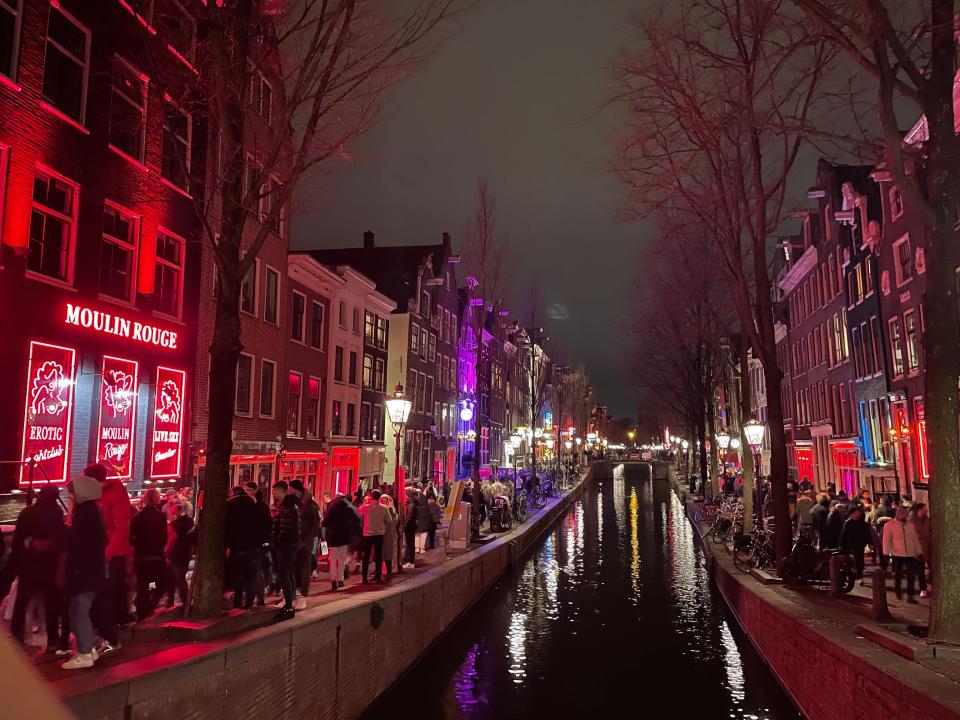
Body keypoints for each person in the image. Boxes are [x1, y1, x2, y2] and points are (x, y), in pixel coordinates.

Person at [9, 485, 66, 652]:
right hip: (49, 567)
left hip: (28, 566)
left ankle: (17, 637)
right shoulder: (56, 514)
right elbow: (61, 542)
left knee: (22, 603)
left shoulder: (27, 513)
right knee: (51, 606)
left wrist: (16, 563)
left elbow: (17, 541)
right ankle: (53, 640)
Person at [62, 475, 107, 670]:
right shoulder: (90, 512)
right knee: (78, 611)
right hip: (89, 572)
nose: (69, 496)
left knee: (78, 611)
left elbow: (79, 544)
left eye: (71, 493)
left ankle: (85, 651)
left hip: (84, 573)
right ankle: (90, 646)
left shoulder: (85, 514)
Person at [90, 462, 132, 634]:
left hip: (112, 553)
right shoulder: (98, 494)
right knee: (113, 589)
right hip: (107, 551)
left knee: (107, 591)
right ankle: (117, 621)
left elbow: (122, 528)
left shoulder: (113, 494)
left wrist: (107, 553)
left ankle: (108, 629)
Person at [226, 485, 269, 611]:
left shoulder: (230, 507)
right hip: (253, 547)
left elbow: (226, 528)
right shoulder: (256, 507)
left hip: (237, 548)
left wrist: (229, 545)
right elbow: (266, 525)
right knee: (251, 576)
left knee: (238, 576)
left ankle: (238, 601)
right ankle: (249, 603)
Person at [130, 488, 167, 620]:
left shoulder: (137, 519)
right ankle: (150, 606)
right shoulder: (161, 517)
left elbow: (131, 539)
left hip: (142, 557)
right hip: (157, 556)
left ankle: (142, 610)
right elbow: (164, 537)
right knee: (161, 585)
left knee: (142, 586)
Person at [271, 481, 301, 620]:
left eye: (274, 490)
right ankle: (290, 603)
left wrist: (276, 540)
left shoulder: (287, 507)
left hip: (287, 545)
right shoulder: (287, 506)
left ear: (280, 490)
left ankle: (289, 606)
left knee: (284, 574)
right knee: (288, 573)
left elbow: (285, 528)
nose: (273, 493)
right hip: (291, 544)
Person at [290, 480, 321, 609]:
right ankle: (294, 595)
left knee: (303, 567)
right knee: (295, 568)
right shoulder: (298, 503)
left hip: (305, 541)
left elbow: (315, 525)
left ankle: (302, 594)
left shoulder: (310, 506)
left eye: (291, 490)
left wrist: (307, 539)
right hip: (297, 540)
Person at [322, 493, 360, 591]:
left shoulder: (331, 507)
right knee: (341, 560)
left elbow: (325, 522)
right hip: (344, 536)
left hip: (333, 537)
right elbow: (356, 519)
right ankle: (340, 579)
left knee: (333, 559)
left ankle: (333, 580)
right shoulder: (348, 506)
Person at [883, 506, 922, 603]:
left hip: (910, 553)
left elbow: (915, 539)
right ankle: (898, 591)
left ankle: (910, 595)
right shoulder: (889, 525)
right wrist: (886, 553)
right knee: (898, 574)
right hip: (897, 554)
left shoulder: (910, 525)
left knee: (911, 575)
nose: (905, 517)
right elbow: (886, 540)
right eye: (904, 515)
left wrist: (919, 551)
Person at [164, 502, 195, 611]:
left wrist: (166, 553)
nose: (171, 513)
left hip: (176, 555)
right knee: (178, 579)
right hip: (184, 554)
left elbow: (172, 540)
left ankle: (178, 603)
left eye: (173, 511)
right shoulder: (189, 523)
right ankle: (184, 603)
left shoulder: (176, 524)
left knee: (175, 579)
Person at [357, 490, 387, 584]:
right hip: (379, 533)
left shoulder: (365, 507)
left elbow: (358, 514)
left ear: (371, 497)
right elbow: (389, 520)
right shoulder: (384, 508)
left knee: (366, 556)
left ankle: (364, 578)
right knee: (378, 556)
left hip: (367, 533)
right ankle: (378, 577)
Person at [839, 506, 870, 580]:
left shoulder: (863, 523)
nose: (856, 514)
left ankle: (859, 575)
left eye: (858, 512)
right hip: (849, 544)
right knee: (852, 560)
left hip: (860, 544)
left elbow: (866, 534)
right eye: (855, 512)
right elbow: (843, 534)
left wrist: (868, 542)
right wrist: (840, 544)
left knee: (859, 560)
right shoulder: (847, 522)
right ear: (851, 514)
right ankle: (854, 575)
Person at [909, 503, 932, 598]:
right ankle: (923, 588)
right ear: (919, 510)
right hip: (918, 548)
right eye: (924, 508)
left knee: (933, 567)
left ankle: (930, 583)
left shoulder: (927, 519)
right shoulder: (911, 521)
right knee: (920, 570)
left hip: (930, 546)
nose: (926, 510)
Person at [380, 495, 399, 578]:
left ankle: (390, 570)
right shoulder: (386, 510)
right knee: (386, 553)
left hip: (389, 534)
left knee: (390, 553)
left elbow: (393, 522)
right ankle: (386, 570)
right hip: (385, 534)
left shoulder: (391, 511)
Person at [402, 487, 420, 568]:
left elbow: (409, 517)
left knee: (410, 544)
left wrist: (405, 525)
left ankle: (410, 561)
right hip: (411, 526)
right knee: (410, 544)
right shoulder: (412, 504)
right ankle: (410, 560)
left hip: (409, 527)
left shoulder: (411, 505)